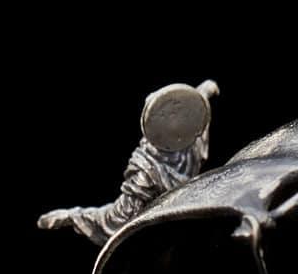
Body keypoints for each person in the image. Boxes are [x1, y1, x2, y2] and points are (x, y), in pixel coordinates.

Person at [38, 80, 217, 245]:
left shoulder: (190, 146)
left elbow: (195, 112)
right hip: (160, 237)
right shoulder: (146, 173)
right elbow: (117, 219)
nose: (178, 119)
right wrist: (74, 217)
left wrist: (204, 92)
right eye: (168, 113)